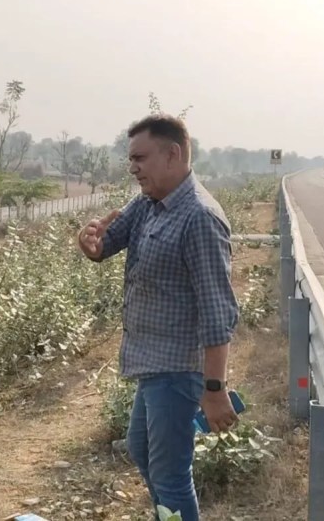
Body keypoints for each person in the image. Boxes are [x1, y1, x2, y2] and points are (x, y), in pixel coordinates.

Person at [77, 114, 240, 521]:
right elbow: (106, 245)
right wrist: (90, 243)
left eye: (140, 158)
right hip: (152, 362)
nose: (132, 168)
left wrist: (215, 390)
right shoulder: (149, 203)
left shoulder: (199, 217)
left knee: (170, 475)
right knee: (142, 449)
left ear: (173, 154)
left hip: (178, 368)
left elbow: (217, 311)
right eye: (130, 159)